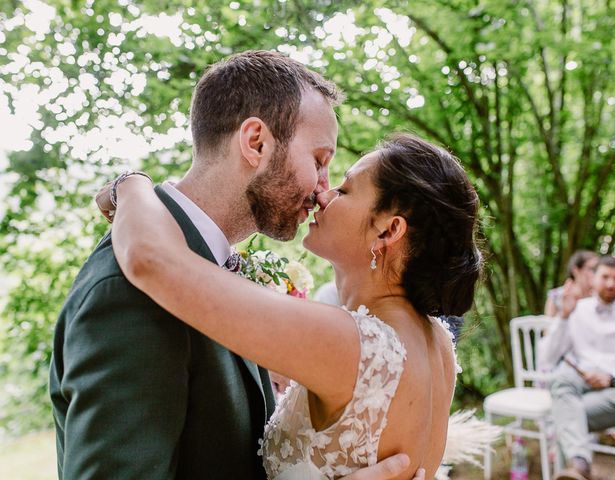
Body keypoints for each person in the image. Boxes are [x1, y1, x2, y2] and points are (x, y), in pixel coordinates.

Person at [50, 50, 418, 480]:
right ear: (256, 142)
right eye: (319, 161)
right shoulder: (129, 289)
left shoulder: (207, 264)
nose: (323, 190)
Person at [102, 133, 482, 479]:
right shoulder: (436, 341)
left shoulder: (352, 343)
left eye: (345, 190)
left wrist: (131, 185)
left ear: (388, 230)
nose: (323, 194)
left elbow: (151, 261)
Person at [539, 256, 615, 480]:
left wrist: (612, 378)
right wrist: (563, 317)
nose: (611, 284)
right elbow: (547, 358)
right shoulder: (577, 309)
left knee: (566, 415)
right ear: (593, 279)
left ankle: (578, 466)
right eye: (605, 277)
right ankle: (580, 466)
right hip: (580, 384)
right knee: (559, 380)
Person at [544, 250, 598, 317]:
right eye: (592, 269)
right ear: (576, 270)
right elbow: (548, 326)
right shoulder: (556, 296)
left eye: (598, 269)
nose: (597, 273)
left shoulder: (600, 296)